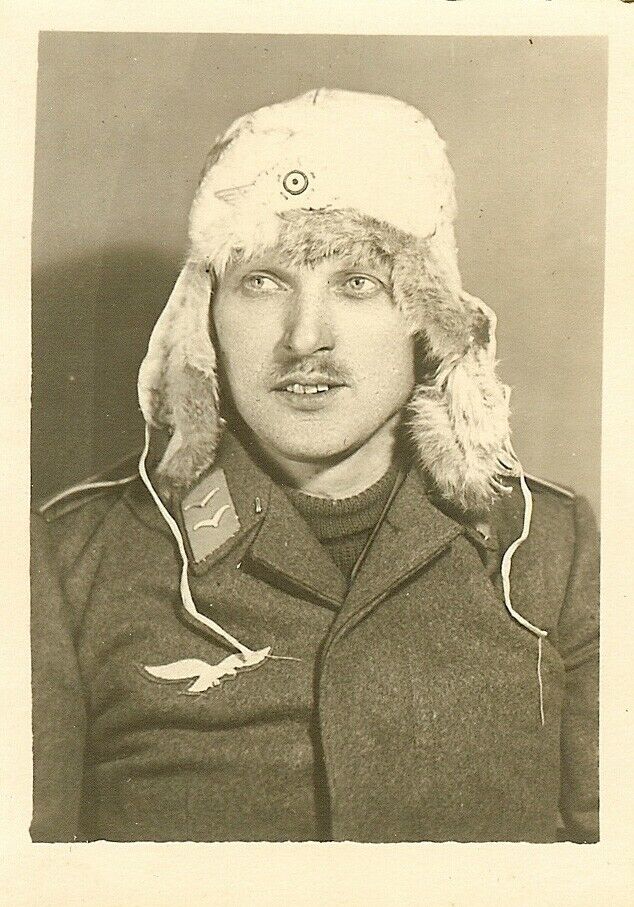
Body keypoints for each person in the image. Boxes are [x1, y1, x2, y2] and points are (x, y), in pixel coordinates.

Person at [31, 89, 599, 843]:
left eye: (359, 283)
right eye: (262, 281)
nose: (305, 338)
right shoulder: (68, 561)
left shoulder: (553, 550)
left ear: (429, 320)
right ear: (204, 316)